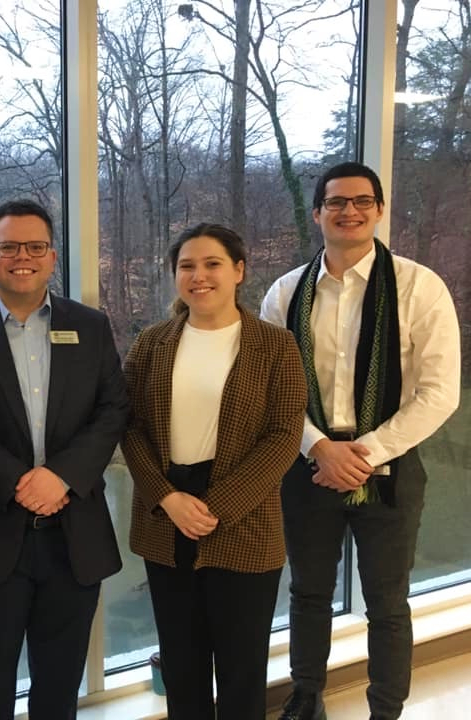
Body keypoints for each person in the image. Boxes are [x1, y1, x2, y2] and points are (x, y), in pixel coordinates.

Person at [261, 162, 461, 720]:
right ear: (319, 212)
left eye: (361, 201)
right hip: (309, 465)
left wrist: (364, 453)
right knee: (308, 595)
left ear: (378, 209)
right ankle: (306, 699)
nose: (349, 211)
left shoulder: (420, 287)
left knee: (388, 603)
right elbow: (272, 390)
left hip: (389, 463)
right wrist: (320, 449)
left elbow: (441, 393)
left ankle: (385, 710)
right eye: (336, 202)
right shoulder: (284, 293)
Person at [0, 199, 128, 719]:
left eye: (34, 247)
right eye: (8, 247)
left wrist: (62, 477)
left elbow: (114, 409)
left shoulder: (91, 327)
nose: (21, 257)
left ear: (52, 257)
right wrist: (18, 481)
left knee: (58, 687)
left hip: (75, 538)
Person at [122, 223, 306, 719]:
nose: (198, 275)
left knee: (242, 669)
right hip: (167, 518)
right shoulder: (151, 344)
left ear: (239, 271)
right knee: (182, 668)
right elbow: (130, 427)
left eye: (212, 264)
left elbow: (285, 434)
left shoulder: (275, 346)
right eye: (187, 266)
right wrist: (166, 496)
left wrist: (215, 507)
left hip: (243, 521)